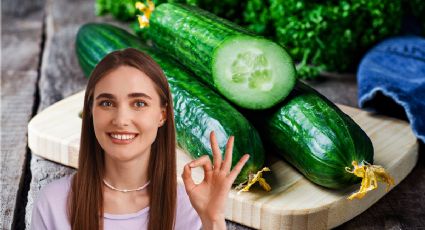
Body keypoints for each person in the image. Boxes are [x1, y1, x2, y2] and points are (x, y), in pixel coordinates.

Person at [30, 48, 250, 230]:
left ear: (162, 115)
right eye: (107, 103)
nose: (121, 119)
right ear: (90, 111)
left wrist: (213, 219)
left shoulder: (189, 206)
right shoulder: (54, 203)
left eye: (139, 103)